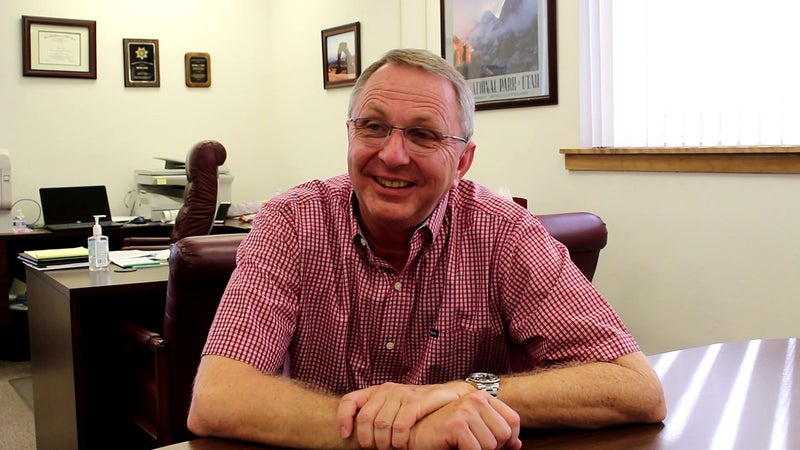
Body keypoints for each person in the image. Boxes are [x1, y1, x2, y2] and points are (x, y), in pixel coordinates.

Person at [187, 48, 666, 449]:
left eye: (423, 134)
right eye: (373, 126)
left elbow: (636, 388)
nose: (393, 154)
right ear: (350, 135)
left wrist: (462, 394)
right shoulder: (292, 222)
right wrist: (407, 434)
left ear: (463, 160)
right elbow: (217, 397)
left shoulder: (504, 232)